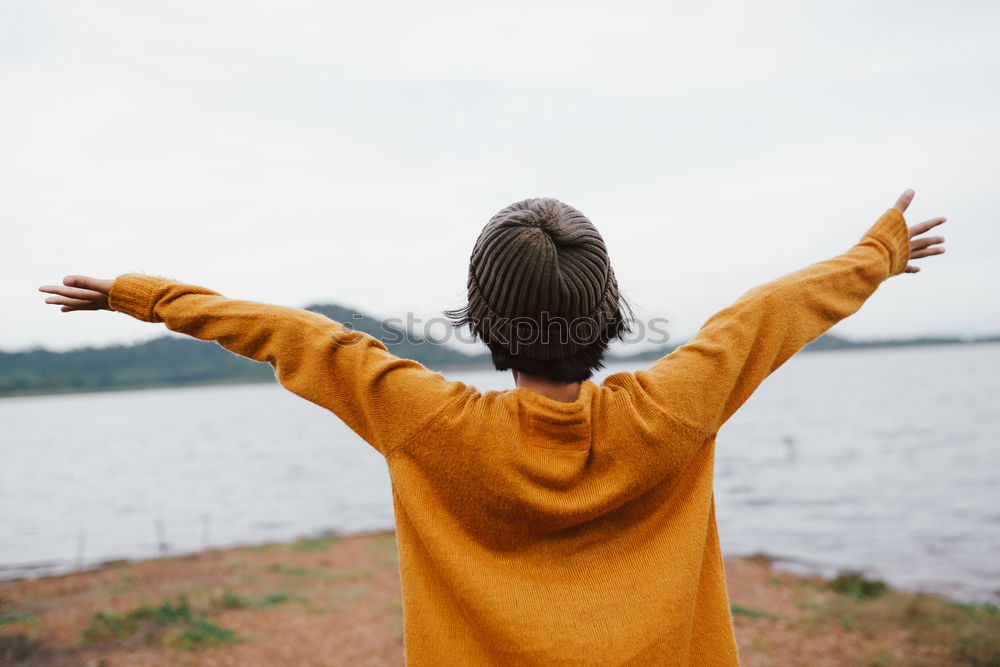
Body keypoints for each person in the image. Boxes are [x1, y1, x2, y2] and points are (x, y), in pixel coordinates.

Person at [39, 189, 946, 665]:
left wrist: (143, 297)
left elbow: (295, 335)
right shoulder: (679, 404)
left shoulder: (426, 421)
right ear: (610, 311)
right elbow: (770, 312)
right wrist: (881, 251)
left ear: (479, 318)